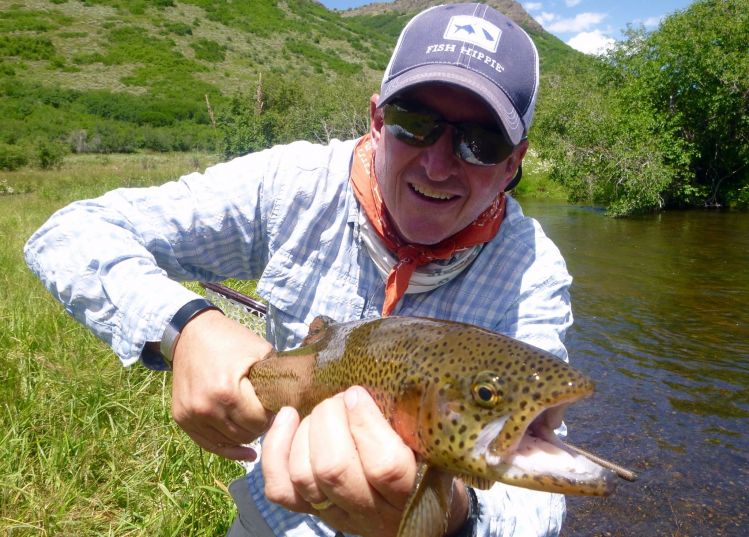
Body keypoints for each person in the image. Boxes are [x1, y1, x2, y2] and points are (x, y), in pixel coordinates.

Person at [24, 3, 573, 536]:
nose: (437, 164)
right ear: (377, 121)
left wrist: (455, 519)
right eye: (414, 123)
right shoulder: (292, 185)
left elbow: (540, 493)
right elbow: (70, 232)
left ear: (512, 163)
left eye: (480, 143)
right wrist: (183, 326)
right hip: (278, 518)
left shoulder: (532, 272)